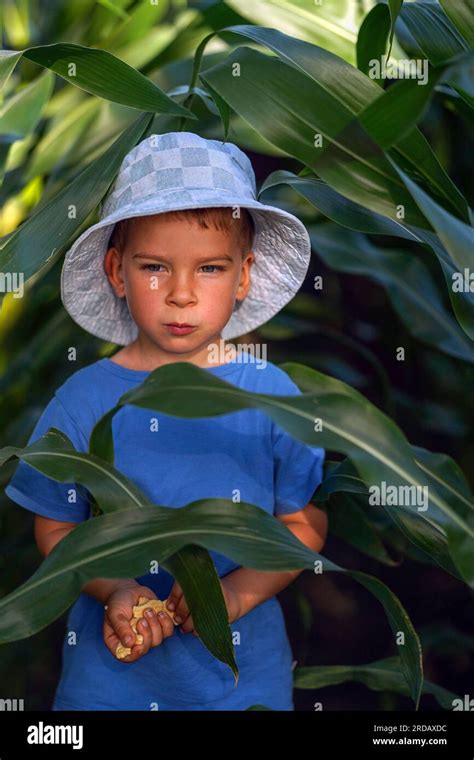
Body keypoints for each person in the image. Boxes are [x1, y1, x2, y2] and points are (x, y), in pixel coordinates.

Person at [5, 131, 327, 711]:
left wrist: (232, 597)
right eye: (155, 266)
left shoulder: (273, 398)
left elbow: (304, 527)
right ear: (117, 272)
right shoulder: (82, 402)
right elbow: (55, 528)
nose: (181, 294)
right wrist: (114, 589)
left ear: (244, 276)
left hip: (241, 687)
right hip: (107, 689)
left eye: (209, 268)